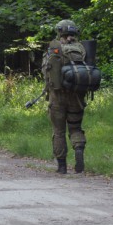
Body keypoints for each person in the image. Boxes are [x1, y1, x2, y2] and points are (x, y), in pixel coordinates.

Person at [42, 20, 88, 174]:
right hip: (77, 97)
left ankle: (62, 166)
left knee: (59, 131)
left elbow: (46, 73)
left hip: (57, 97)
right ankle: (79, 148)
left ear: (59, 32)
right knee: (75, 127)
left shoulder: (54, 48)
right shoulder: (82, 49)